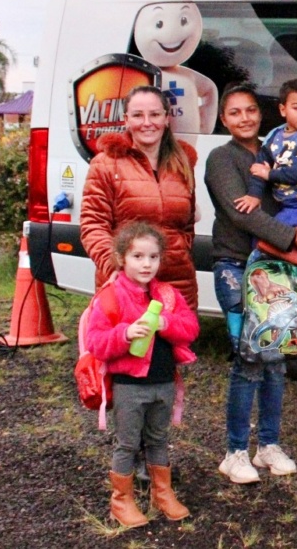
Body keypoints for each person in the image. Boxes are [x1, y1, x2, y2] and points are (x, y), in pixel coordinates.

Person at [205, 84, 297, 485]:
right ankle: (235, 451)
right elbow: (242, 214)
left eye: (250, 111)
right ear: (224, 120)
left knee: (276, 358)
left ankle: (268, 444)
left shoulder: (276, 149)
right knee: (248, 358)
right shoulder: (221, 159)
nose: (244, 118)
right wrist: (296, 238)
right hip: (236, 267)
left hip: (277, 270)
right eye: (235, 113)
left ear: (262, 113)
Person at [84, 222, 199, 528]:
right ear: (122, 258)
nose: (146, 264)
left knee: (159, 439)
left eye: (153, 257)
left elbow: (191, 329)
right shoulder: (110, 297)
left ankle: (162, 494)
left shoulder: (168, 295)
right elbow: (95, 342)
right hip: (130, 387)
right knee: (127, 443)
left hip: (163, 384)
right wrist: (124, 333)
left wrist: (166, 323)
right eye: (138, 256)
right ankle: (121, 501)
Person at [81, 85, 199, 309]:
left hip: (177, 285)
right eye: (138, 115)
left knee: (175, 343)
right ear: (126, 119)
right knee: (130, 343)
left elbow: (188, 224)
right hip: (125, 287)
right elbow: (93, 226)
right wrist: (117, 267)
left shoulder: (182, 164)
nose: (147, 122)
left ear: (166, 119)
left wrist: (178, 253)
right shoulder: (105, 164)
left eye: (154, 114)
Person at [235, 78, 297, 309]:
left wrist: (272, 175)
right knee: (285, 249)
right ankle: (279, 295)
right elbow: (258, 171)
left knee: (278, 240)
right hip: (288, 208)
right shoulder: (273, 138)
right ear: (282, 109)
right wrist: (254, 195)